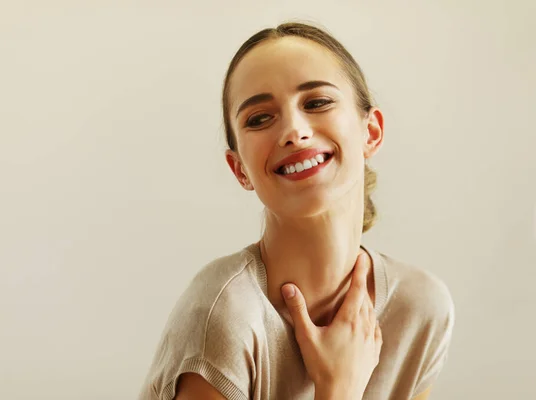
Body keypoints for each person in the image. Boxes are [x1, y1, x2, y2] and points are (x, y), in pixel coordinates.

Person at [138, 21, 455, 400]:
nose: (293, 130)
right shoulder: (222, 314)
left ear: (371, 132)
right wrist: (337, 388)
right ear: (240, 169)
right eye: (259, 119)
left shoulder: (419, 308)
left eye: (317, 102)